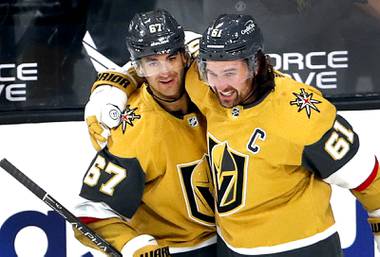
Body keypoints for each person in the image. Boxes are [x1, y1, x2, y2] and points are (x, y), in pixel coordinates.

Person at [84, 12, 380, 257]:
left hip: (302, 248)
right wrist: (112, 84)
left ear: (257, 63)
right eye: (211, 73)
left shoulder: (301, 112)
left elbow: (367, 175)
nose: (220, 86)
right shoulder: (202, 85)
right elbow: (164, 54)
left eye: (230, 73)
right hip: (231, 249)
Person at [74, 9, 216, 257]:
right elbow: (91, 213)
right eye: (152, 62)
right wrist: (134, 245)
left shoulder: (214, 91)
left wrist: (115, 79)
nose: (165, 72)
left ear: (185, 57)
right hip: (178, 250)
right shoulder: (133, 129)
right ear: (138, 67)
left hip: (232, 242)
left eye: (171, 58)